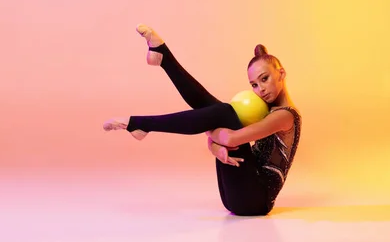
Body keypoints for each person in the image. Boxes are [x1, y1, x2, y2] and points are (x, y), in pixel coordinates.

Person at [103, 24, 302, 216]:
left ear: (281, 73)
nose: (260, 90)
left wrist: (211, 133)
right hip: (237, 194)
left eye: (264, 79)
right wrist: (216, 146)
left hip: (256, 200)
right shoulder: (266, 109)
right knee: (220, 111)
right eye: (254, 85)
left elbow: (231, 140)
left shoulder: (285, 115)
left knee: (224, 112)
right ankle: (163, 60)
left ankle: (144, 117)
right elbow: (222, 140)